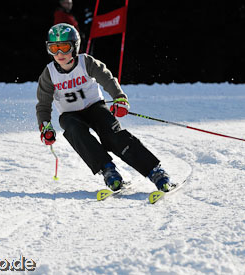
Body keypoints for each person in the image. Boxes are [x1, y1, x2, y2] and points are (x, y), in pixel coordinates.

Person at [36, 23, 172, 192]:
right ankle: (108, 170)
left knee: (113, 135)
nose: (59, 54)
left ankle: (154, 171)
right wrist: (45, 126)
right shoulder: (49, 74)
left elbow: (107, 79)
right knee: (73, 129)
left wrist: (119, 98)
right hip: (70, 114)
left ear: (75, 46)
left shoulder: (86, 62)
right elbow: (43, 104)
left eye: (64, 47)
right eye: (54, 48)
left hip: (94, 107)